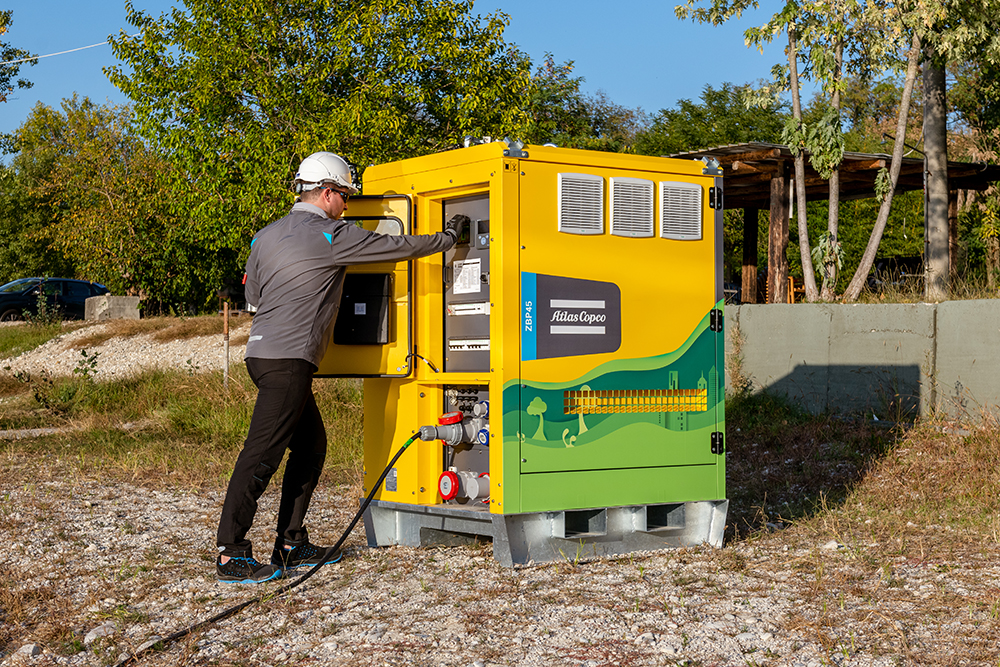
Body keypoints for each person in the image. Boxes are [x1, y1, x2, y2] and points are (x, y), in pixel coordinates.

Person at [216, 151, 465, 583]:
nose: (347, 205)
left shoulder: (264, 237)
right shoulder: (333, 235)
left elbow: (253, 298)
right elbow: (397, 246)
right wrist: (447, 238)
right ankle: (230, 553)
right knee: (260, 456)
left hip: (261, 353)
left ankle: (291, 543)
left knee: (311, 447)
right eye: (345, 196)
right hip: (289, 361)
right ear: (327, 193)